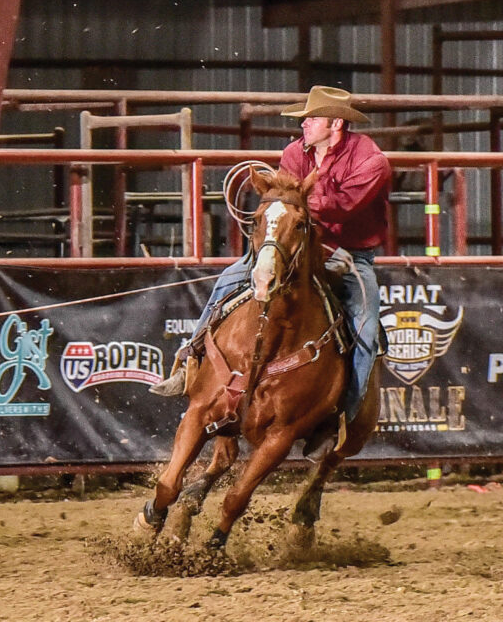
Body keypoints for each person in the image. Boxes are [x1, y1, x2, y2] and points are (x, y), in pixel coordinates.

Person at [150, 85, 391, 430]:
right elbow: (285, 202)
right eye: (304, 119)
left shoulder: (371, 160)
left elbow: (342, 208)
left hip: (351, 255)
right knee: (226, 283)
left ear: (336, 123)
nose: (304, 125)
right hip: (295, 248)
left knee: (366, 331)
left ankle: (341, 416)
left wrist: (296, 201)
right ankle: (187, 360)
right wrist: (291, 204)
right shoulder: (295, 152)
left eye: (311, 119)